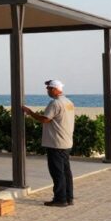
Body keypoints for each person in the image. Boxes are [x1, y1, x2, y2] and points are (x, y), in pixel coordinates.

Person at [23, 79, 76, 207]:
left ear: (54, 89)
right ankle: (69, 197)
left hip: (55, 143)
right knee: (66, 172)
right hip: (66, 142)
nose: (47, 91)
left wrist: (30, 112)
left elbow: (45, 119)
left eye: (48, 89)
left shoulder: (55, 103)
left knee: (57, 172)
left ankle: (60, 199)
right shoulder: (68, 102)